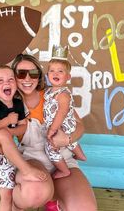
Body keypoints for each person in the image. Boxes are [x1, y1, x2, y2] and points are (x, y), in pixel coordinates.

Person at [11, 54, 97, 211]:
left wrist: (67, 139)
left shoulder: (54, 94)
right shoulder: (9, 102)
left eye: (34, 73)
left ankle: (54, 200)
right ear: (14, 76)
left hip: (63, 157)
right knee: (34, 193)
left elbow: (79, 125)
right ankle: (16, 204)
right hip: (32, 160)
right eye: (21, 73)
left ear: (40, 76)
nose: (27, 78)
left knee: (85, 208)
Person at [0, 65, 48, 211]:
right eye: (0, 81)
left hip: (5, 159)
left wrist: (8, 131)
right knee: (1, 134)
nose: (6, 83)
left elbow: (23, 127)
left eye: (10, 80)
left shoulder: (18, 104)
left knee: (7, 196)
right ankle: (26, 170)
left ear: (15, 84)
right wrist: (6, 122)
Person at [44, 46, 87, 179]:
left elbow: (62, 113)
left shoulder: (63, 94)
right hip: (64, 126)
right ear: (47, 75)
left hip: (63, 124)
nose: (55, 74)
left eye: (60, 71)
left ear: (68, 77)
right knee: (70, 140)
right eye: (52, 71)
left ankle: (64, 170)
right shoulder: (49, 91)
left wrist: (53, 129)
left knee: (50, 147)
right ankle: (80, 155)